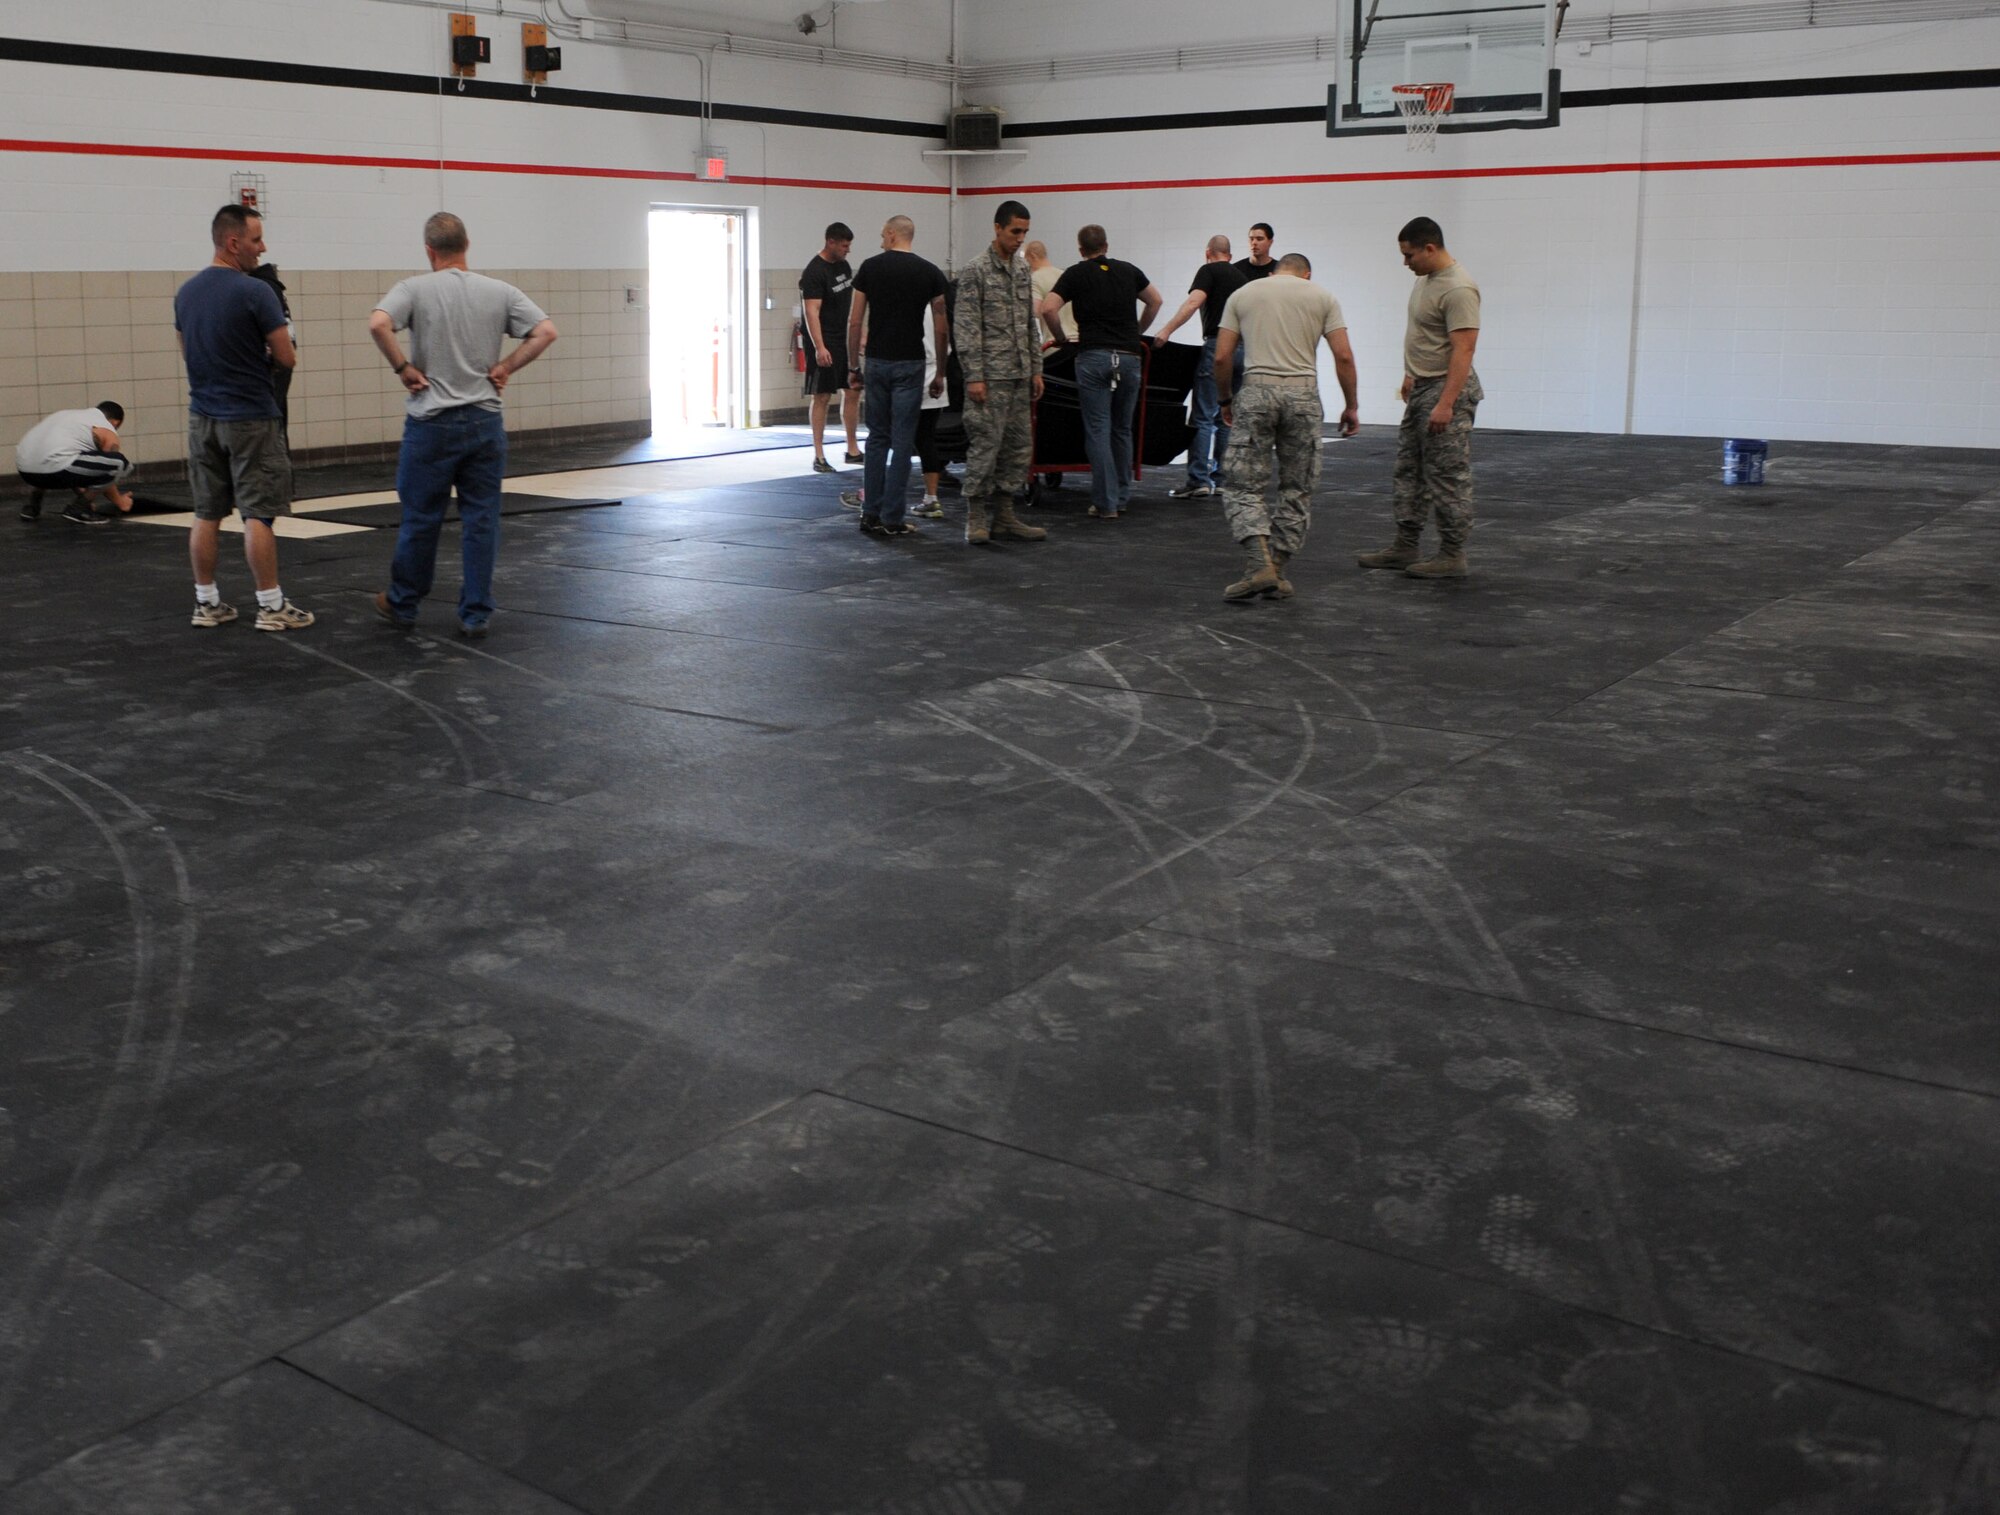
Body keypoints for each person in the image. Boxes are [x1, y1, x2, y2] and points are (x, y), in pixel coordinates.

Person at [367, 212, 558, 637]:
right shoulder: (499, 291)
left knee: (421, 517)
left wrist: (402, 366)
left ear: (429, 251)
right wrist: (506, 365)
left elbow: (378, 323)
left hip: (431, 423)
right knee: (481, 520)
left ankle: (403, 603)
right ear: (466, 246)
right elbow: (546, 331)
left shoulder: (413, 288)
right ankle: (475, 614)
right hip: (484, 422)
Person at [173, 203, 311, 631]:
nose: (262, 248)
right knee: (258, 513)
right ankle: (270, 606)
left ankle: (206, 602)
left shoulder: (186, 293)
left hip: (203, 416)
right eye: (255, 240)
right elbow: (286, 358)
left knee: (207, 512)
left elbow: (187, 353)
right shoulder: (257, 293)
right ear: (233, 243)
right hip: (250, 417)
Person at [1213, 252, 1359, 602]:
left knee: (1243, 486)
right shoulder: (1323, 296)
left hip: (1257, 391)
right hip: (1303, 394)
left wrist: (1225, 400)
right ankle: (1276, 568)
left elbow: (1220, 357)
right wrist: (1351, 405)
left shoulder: (1244, 294)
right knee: (1297, 487)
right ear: (1306, 274)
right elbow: (1343, 356)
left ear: (1277, 270)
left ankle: (1258, 563)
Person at [1358, 216, 1483, 579]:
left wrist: (1447, 403)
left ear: (1430, 248)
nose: (1405, 262)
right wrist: (1410, 373)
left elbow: (1465, 349)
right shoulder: (1426, 279)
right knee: (1409, 470)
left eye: (1409, 255)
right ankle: (1405, 545)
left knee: (1447, 475)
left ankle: (1451, 553)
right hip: (1422, 387)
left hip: (1446, 390)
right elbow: (1425, 334)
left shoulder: (1458, 289)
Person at [1040, 226, 1162, 521]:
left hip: (1094, 357)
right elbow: (1155, 300)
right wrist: (1137, 332)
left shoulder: (1076, 273)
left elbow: (1048, 308)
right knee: (1122, 429)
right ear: (1106, 246)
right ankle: (1120, 498)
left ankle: (1105, 503)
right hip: (1130, 357)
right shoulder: (1129, 270)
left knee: (1098, 429)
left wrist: (1059, 338)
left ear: (1080, 250)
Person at [844, 215, 948, 539]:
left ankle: (869, 514)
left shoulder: (870, 268)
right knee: (903, 442)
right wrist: (941, 372)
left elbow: (855, 322)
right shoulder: (930, 272)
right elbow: (942, 327)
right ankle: (893, 518)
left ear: (891, 234)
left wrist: (852, 366)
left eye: (881, 234)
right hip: (911, 363)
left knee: (876, 438)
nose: (880, 240)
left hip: (876, 361)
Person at [953, 199, 1046, 547]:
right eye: (1014, 231)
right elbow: (966, 328)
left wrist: (1036, 368)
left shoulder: (1022, 271)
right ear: (997, 228)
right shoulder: (975, 271)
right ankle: (976, 516)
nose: (1020, 238)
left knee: (1018, 447)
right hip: (989, 378)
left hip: (1019, 376)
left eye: (1024, 232)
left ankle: (1005, 515)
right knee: (984, 447)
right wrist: (974, 375)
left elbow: (1028, 324)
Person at [1151, 234, 1247, 500]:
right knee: (1227, 416)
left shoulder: (1208, 271)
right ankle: (1224, 480)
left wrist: (1166, 330)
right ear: (1230, 253)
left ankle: (1198, 481)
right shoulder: (1241, 278)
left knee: (1202, 416)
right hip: (1243, 349)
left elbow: (1194, 302)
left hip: (1218, 345)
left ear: (1208, 253)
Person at [800, 222, 861, 473]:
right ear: (831, 242)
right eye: (845, 246)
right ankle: (819, 455)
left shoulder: (844, 266)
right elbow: (811, 312)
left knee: (853, 389)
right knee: (823, 395)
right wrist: (819, 347)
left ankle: (853, 448)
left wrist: (860, 333)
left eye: (849, 245)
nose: (848, 250)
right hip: (823, 339)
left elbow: (849, 305)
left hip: (843, 338)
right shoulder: (814, 271)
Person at [16, 400, 135, 525]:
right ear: (116, 422)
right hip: (56, 469)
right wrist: (120, 502)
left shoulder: (67, 415)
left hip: (26, 472)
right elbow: (108, 469)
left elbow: (73, 465)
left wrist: (84, 497)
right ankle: (77, 510)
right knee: (119, 462)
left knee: (54, 457)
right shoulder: (106, 427)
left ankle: (32, 507)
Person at [246, 262, 296, 444]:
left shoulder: (261, 290)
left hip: (269, 370)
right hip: (277, 366)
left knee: (267, 433)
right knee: (277, 425)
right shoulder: (272, 289)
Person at [1024, 240, 1076, 344]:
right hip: (1076, 342)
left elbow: (1034, 311)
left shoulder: (1035, 278)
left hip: (1055, 343)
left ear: (1033, 256)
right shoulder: (1064, 275)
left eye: (1026, 260)